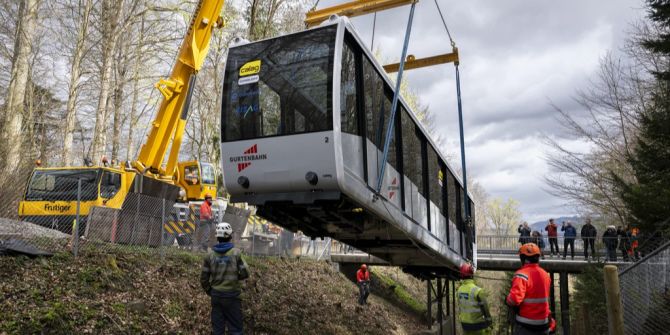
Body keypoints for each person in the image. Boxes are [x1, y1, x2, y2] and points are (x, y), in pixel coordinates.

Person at [200, 222, 250, 335]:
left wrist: (210, 291)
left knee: (217, 330)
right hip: (233, 296)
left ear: (217, 237)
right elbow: (246, 272)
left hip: (216, 296)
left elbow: (203, 279)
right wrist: (236, 278)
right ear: (230, 236)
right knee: (236, 330)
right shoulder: (236, 253)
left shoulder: (210, 255)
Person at [506, 243, 554, 335]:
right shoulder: (545, 274)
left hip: (526, 324)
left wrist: (507, 300)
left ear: (523, 258)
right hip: (543, 324)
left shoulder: (521, 275)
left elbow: (514, 299)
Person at [457, 263, 492, 335]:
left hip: (465, 325)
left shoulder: (459, 290)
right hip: (478, 326)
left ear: (462, 275)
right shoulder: (478, 290)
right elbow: (485, 309)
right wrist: (489, 322)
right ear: (472, 274)